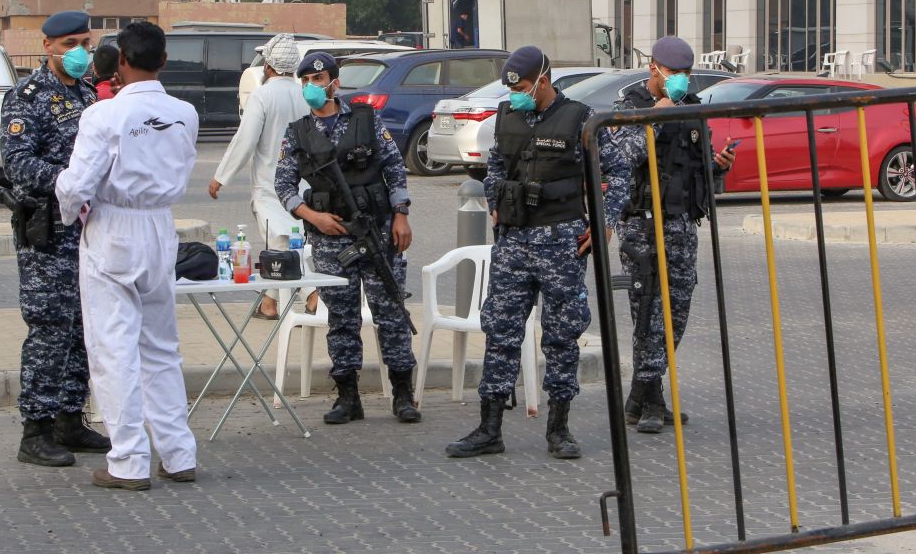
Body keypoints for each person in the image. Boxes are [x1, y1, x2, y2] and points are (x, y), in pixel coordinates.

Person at [446, 46, 631, 460]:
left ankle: (559, 429)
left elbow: (619, 173)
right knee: (500, 331)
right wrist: (494, 198)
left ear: (543, 81)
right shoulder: (507, 116)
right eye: (513, 90)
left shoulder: (580, 118)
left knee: (562, 334)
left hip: (561, 240)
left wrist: (605, 221)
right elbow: (494, 166)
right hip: (514, 240)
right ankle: (489, 428)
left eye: (524, 88)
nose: (517, 96)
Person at [55, 21, 200, 491]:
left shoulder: (104, 115)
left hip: (114, 226)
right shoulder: (185, 113)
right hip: (160, 226)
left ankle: (129, 461)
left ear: (120, 62)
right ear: (162, 61)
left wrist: (67, 207)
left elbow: (77, 184)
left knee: (113, 349)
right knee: (160, 347)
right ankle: (178, 454)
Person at [274, 51, 421, 425]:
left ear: (335, 83)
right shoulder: (297, 132)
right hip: (331, 237)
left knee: (390, 312)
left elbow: (393, 167)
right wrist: (313, 217)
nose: (312, 88)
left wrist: (401, 215)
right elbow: (284, 184)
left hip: (376, 230)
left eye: (319, 81)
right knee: (341, 317)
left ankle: (403, 394)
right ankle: (347, 396)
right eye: (305, 82)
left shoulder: (365, 120)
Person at [0, 9, 110, 467]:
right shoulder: (26, 97)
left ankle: (70, 419)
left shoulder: (89, 93)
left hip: (89, 229)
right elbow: (17, 162)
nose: (81, 52)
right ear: (48, 47)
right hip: (47, 231)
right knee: (49, 328)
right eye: (70, 45)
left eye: (85, 42)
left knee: (84, 327)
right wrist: (70, 180)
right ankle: (36, 430)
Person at [612, 36, 735, 434]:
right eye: (675, 73)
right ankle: (649, 401)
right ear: (654, 69)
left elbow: (700, 171)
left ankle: (640, 395)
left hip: (682, 225)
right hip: (642, 226)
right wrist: (653, 118)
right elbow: (618, 160)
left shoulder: (692, 110)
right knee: (646, 313)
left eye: (686, 73)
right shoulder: (628, 106)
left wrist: (719, 165)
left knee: (674, 317)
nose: (681, 81)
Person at [208, 34, 316, 320]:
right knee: (290, 243)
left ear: (268, 66)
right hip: (303, 186)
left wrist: (221, 177)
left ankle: (313, 295)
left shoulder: (263, 96)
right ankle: (270, 303)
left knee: (280, 246)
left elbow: (245, 140)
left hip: (270, 186)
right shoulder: (304, 95)